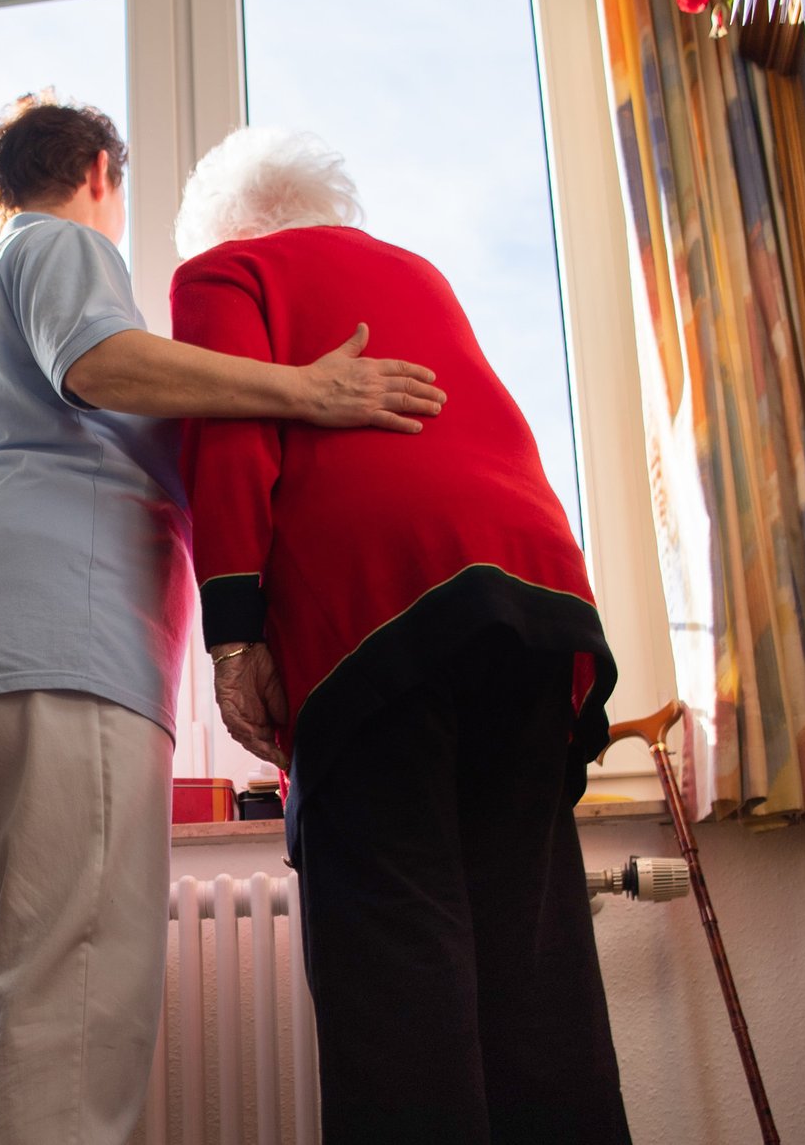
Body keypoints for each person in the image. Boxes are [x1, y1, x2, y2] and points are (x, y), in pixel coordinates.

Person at [0, 96, 444, 1145]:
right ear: (102, 172)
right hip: (63, 650)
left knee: (19, 998)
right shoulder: (61, 245)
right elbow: (100, 363)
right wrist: (303, 388)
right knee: (76, 1003)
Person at [170, 126, 628, 1143]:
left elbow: (229, 438)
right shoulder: (413, 273)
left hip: (376, 616)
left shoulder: (222, 272)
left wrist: (235, 633)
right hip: (534, 603)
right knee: (531, 960)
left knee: (395, 963)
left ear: (218, 227)